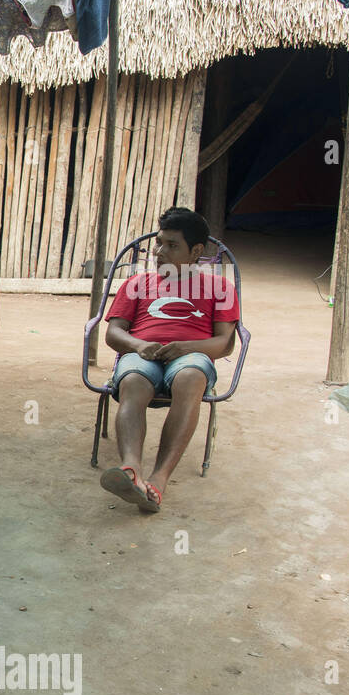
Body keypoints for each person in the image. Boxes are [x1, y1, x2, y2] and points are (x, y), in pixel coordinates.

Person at [99, 207, 239, 512]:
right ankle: (131, 470)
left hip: (190, 356)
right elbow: (113, 333)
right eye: (158, 243)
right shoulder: (136, 284)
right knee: (134, 381)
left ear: (197, 251)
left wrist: (187, 347)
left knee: (190, 378)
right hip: (142, 353)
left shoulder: (220, 288)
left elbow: (225, 343)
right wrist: (138, 345)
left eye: (172, 246)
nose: (159, 252)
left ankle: (159, 479)